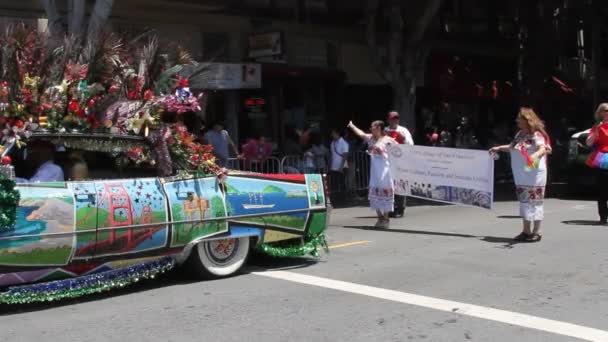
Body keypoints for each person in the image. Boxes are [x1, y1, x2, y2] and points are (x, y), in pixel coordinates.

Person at [490, 107, 552, 242]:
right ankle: (526, 230)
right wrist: (499, 148)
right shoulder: (519, 134)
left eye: (520, 118)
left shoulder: (537, 134)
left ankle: (537, 232)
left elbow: (543, 149)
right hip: (521, 173)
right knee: (524, 200)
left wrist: (535, 155)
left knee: (535, 200)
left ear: (527, 119)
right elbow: (512, 147)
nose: (517, 120)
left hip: (535, 172)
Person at [348, 120, 397, 228]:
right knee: (374, 194)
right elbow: (361, 133)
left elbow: (400, 151)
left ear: (379, 128)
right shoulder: (370, 138)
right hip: (374, 171)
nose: (370, 129)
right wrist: (352, 126)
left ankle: (386, 218)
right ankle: (380, 218)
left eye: (372, 127)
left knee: (386, 193)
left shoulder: (389, 140)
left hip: (385, 171)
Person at [384, 111, 413, 218]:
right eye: (392, 119)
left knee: (400, 185)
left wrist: (404, 138)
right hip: (388, 162)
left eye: (396, 118)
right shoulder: (385, 130)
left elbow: (411, 145)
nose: (394, 120)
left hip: (401, 162)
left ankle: (400, 209)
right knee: (390, 186)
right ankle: (392, 208)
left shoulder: (403, 130)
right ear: (388, 120)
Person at [585, 103, 608, 225]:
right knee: (602, 189)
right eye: (605, 110)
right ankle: (603, 216)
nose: (607, 112)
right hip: (603, 159)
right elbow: (588, 143)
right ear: (600, 113)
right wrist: (597, 131)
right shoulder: (597, 127)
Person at [329, 128, 349, 202]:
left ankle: (343, 199)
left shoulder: (344, 143)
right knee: (334, 184)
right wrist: (330, 166)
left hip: (342, 167)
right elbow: (332, 155)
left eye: (333, 133)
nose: (332, 135)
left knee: (342, 183)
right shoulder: (332, 143)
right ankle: (335, 199)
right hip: (333, 167)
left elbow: (345, 155)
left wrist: (341, 167)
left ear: (337, 133)